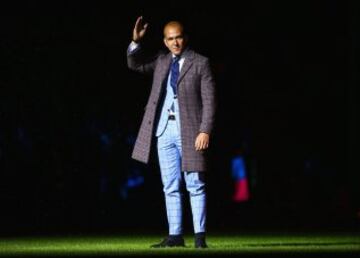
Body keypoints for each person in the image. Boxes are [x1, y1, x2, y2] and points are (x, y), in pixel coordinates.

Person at [126, 16, 216, 248]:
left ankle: (199, 237)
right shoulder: (162, 61)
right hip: (163, 130)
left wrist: (204, 130)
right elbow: (135, 64)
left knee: (195, 183)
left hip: (190, 130)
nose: (175, 42)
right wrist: (135, 42)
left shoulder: (200, 63)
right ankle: (175, 236)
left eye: (178, 38)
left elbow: (210, 100)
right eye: (170, 39)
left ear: (185, 38)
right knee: (170, 185)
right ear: (165, 41)